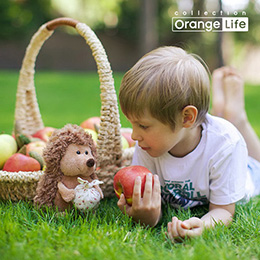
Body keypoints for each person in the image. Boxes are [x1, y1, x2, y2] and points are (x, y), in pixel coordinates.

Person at [117, 46, 260, 240]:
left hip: (247, 171)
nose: (134, 136)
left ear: (186, 118)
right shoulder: (147, 144)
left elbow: (224, 211)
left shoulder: (225, 144)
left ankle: (235, 116)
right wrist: (148, 216)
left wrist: (204, 225)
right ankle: (222, 111)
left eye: (143, 125)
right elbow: (153, 206)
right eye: (132, 124)